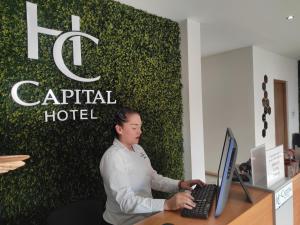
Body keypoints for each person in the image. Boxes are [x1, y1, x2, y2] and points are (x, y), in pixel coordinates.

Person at [100, 107, 205, 225]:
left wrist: (180, 184)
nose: (140, 131)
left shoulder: (138, 149)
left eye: (140, 127)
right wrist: (166, 204)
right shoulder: (113, 158)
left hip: (147, 218)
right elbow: (126, 203)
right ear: (119, 129)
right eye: (134, 127)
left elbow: (152, 179)